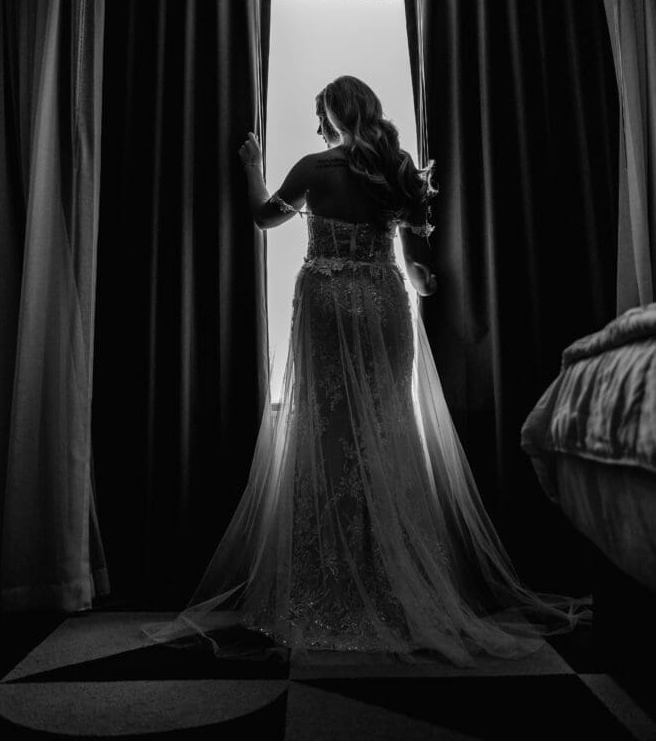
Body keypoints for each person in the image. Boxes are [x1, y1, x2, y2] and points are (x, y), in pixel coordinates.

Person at [142, 75, 589, 667]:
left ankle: (330, 583)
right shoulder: (397, 168)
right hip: (382, 303)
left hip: (327, 303)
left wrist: (252, 166)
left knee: (328, 434)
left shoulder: (313, 168)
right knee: (388, 428)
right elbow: (416, 263)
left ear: (331, 114)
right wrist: (425, 281)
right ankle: (391, 578)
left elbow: (263, 218)